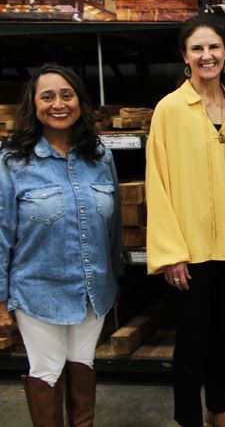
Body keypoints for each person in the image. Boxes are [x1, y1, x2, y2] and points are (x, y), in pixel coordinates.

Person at [146, 15, 225, 427]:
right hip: (189, 250)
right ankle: (188, 418)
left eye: (214, 47)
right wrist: (171, 253)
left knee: (222, 337)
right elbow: (157, 180)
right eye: (197, 49)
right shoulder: (170, 109)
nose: (206, 56)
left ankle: (219, 408)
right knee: (191, 343)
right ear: (185, 56)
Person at [0, 63, 122, 427]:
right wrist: (1, 298)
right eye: (47, 96)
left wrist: (114, 279)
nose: (58, 104)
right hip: (39, 292)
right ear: (33, 105)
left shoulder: (100, 156)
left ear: (79, 102)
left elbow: (112, 227)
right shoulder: (13, 162)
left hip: (93, 290)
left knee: (83, 365)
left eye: (67, 95)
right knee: (47, 370)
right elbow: (1, 232)